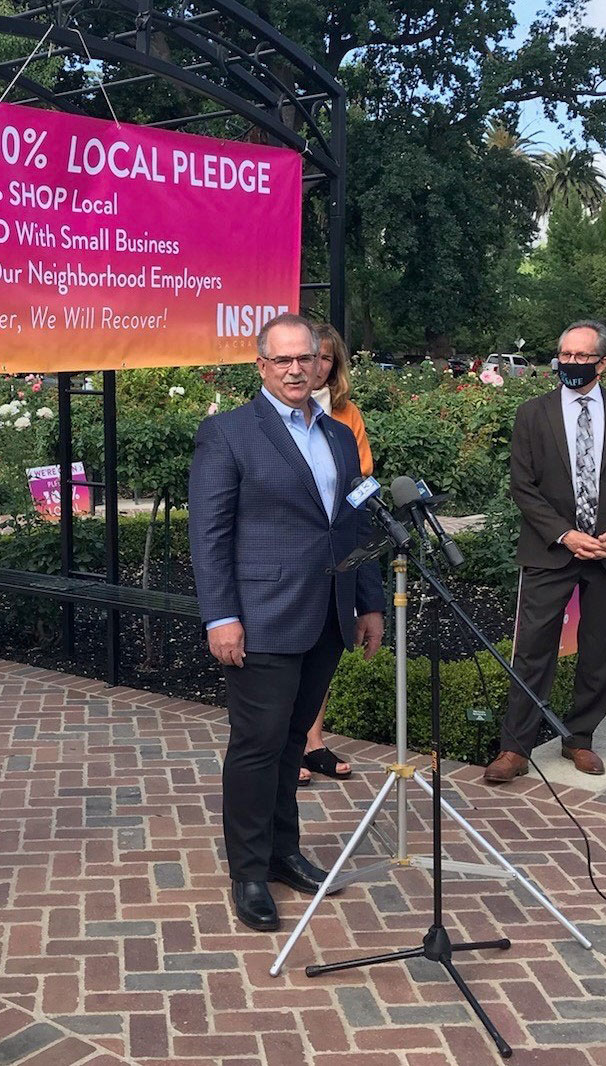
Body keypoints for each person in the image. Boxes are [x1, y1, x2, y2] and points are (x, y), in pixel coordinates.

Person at [189, 312, 385, 931]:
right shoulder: (227, 434)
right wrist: (221, 616)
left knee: (292, 742)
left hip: (328, 613)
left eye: (309, 358)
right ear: (262, 367)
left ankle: (283, 853)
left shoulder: (337, 433)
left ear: (322, 362)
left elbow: (357, 521)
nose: (298, 369)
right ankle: (248, 872)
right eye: (284, 360)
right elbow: (210, 535)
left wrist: (370, 601)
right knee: (256, 746)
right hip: (262, 616)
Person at [484, 319, 606, 784]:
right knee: (532, 650)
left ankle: (580, 738)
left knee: (601, 650)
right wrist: (565, 534)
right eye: (566, 355)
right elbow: (524, 488)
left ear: (604, 362)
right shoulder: (532, 413)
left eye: (583, 356)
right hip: (550, 551)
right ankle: (515, 748)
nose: (572, 363)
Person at [300, 321, 374, 783]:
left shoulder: (348, 417)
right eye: (311, 356)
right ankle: (287, 746)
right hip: (294, 557)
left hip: (337, 550)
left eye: (326, 357)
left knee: (325, 647)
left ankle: (313, 740)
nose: (316, 366)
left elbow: (361, 486)